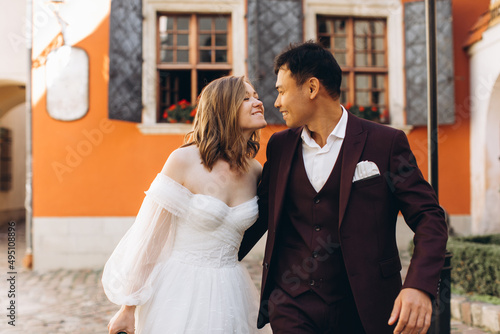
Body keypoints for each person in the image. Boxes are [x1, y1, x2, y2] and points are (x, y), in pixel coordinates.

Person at [238, 41, 449, 334]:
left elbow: (430, 218)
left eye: (282, 91)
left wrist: (420, 286)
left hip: (365, 306)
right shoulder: (280, 146)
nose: (277, 102)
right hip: (291, 302)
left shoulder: (385, 143)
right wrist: (211, 259)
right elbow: (260, 215)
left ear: (311, 88)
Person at [102, 75, 271, 334]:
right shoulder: (183, 161)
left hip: (231, 287)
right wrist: (128, 308)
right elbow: (151, 238)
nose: (257, 102)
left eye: (256, 96)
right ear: (223, 108)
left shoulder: (255, 171)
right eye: (246, 98)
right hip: (180, 288)